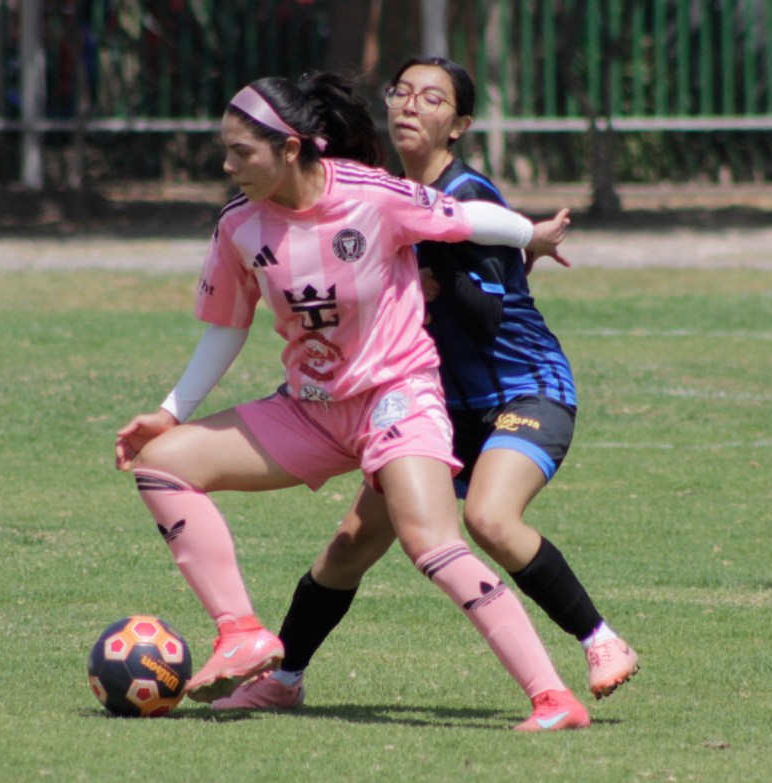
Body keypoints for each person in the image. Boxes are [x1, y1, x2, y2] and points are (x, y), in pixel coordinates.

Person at [115, 70, 591, 731]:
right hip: (310, 410)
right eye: (224, 151)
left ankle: (553, 696)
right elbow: (227, 325)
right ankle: (242, 631)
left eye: (239, 152)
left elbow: (464, 218)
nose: (227, 166)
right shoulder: (239, 225)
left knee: (432, 544)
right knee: (161, 462)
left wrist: (527, 235)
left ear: (290, 149)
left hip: (397, 399)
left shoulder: (372, 195)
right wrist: (168, 411)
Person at [213, 57, 639, 717]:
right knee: (352, 544)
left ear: (459, 124)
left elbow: (486, 315)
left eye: (432, 99)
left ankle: (601, 639)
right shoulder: (376, 191)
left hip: (522, 391)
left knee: (489, 518)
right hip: (431, 405)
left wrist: (429, 268)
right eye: (402, 92)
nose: (412, 105)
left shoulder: (468, 194)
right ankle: (284, 678)